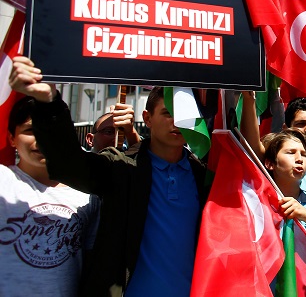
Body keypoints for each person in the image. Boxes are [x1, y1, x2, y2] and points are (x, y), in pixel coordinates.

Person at [9, 56, 209, 296]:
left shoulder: (203, 176)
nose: (177, 122)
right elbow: (68, 164)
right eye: (167, 113)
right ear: (147, 118)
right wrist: (48, 102)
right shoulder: (120, 167)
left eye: (185, 115)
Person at [0, 96, 100, 296]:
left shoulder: (89, 195)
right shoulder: (3, 181)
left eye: (49, 130)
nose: (41, 138)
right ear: (12, 138)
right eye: (30, 130)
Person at [263, 129, 306, 250]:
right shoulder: (257, 205)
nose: (299, 159)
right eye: (291, 152)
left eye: (304, 155)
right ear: (270, 163)